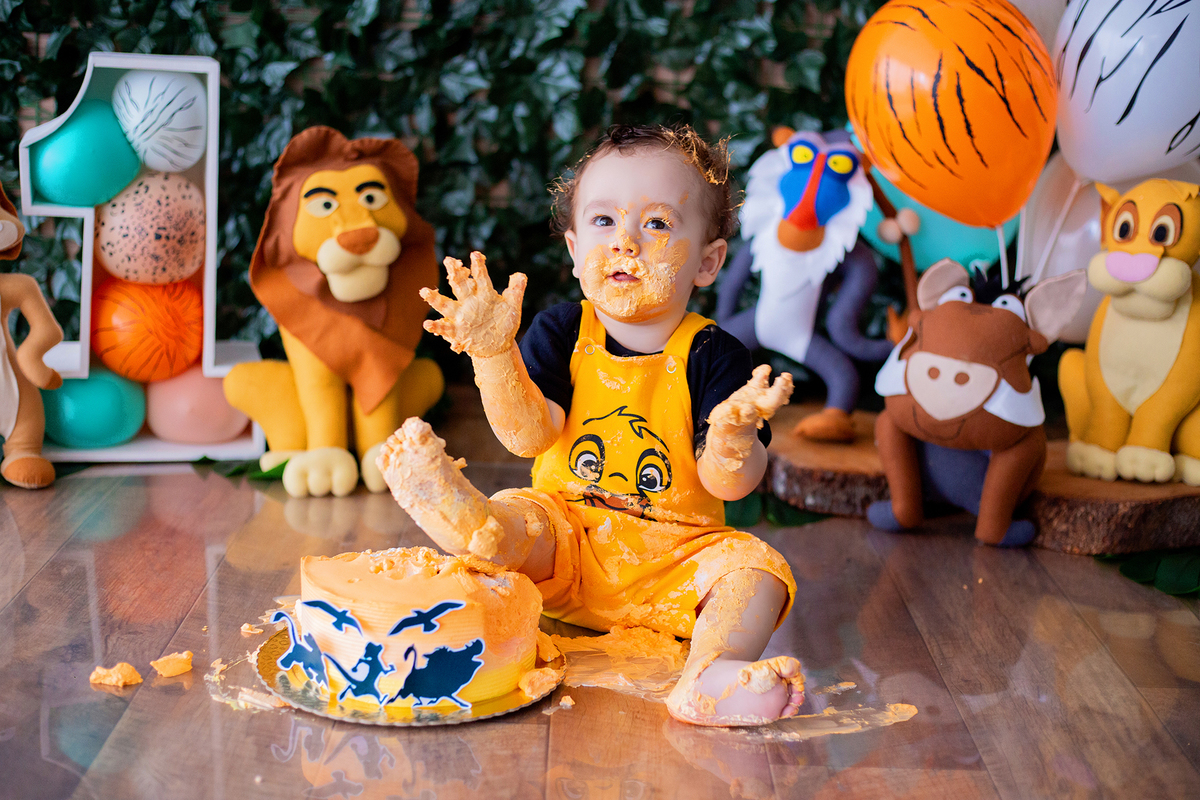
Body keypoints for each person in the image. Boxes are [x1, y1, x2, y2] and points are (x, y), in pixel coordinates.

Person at [377, 124, 802, 726]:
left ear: (707, 261)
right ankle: (475, 525)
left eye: (656, 223)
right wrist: (494, 355)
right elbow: (529, 436)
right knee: (521, 512)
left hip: (674, 563)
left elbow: (730, 485)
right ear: (575, 251)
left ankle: (712, 674)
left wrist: (732, 435)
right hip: (565, 541)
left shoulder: (717, 355)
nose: (626, 241)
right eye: (605, 222)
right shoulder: (561, 332)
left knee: (758, 569)